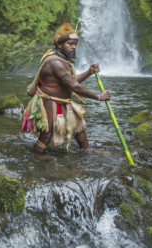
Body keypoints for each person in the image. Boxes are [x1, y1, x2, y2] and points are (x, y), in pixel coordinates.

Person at [22, 23, 110, 153]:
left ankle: (86, 152)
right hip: (50, 102)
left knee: (79, 129)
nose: (74, 47)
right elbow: (74, 86)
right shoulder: (56, 62)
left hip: (63, 102)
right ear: (59, 45)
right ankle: (37, 159)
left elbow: (70, 81)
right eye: (70, 44)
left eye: (75, 44)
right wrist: (98, 96)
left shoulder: (62, 60)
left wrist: (88, 72)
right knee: (47, 135)